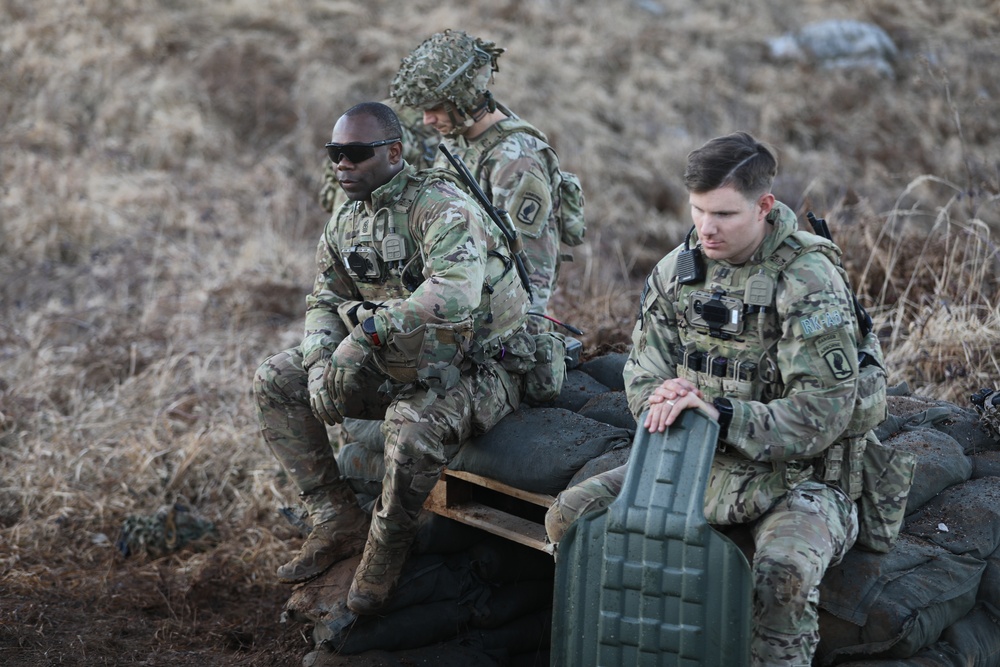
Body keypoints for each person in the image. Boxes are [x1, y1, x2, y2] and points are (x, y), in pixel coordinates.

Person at [545, 132, 870, 666]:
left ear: (764, 206)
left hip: (799, 475)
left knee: (781, 579)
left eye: (723, 214)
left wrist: (720, 414)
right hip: (695, 460)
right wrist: (662, 396)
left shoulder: (809, 280)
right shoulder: (680, 269)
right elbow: (643, 366)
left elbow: (824, 412)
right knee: (570, 519)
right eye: (697, 211)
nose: (707, 228)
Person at [254, 101, 533, 615]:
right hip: (401, 360)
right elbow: (324, 300)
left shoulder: (439, 205)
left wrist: (362, 338)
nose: (343, 165)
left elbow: (455, 294)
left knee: (409, 425)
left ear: (393, 152)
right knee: (277, 378)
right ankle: (335, 518)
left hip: (478, 365)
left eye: (356, 153)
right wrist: (320, 360)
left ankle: (388, 547)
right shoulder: (346, 221)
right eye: (335, 153)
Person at [389, 29, 585, 334]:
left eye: (435, 107)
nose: (427, 119)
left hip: (498, 318)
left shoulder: (515, 160)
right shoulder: (457, 138)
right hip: (460, 296)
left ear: (463, 98)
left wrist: (525, 338)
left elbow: (534, 266)